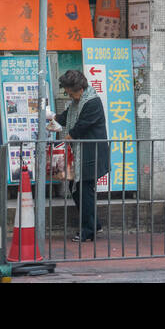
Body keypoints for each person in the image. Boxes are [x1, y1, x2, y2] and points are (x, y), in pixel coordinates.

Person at [51, 69, 109, 242]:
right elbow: (65, 117)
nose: (72, 96)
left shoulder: (92, 102)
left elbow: (79, 127)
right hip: (81, 153)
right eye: (69, 92)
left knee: (84, 190)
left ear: (81, 88)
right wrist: (50, 118)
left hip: (91, 153)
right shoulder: (77, 102)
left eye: (73, 92)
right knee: (78, 189)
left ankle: (88, 230)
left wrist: (63, 142)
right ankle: (94, 224)